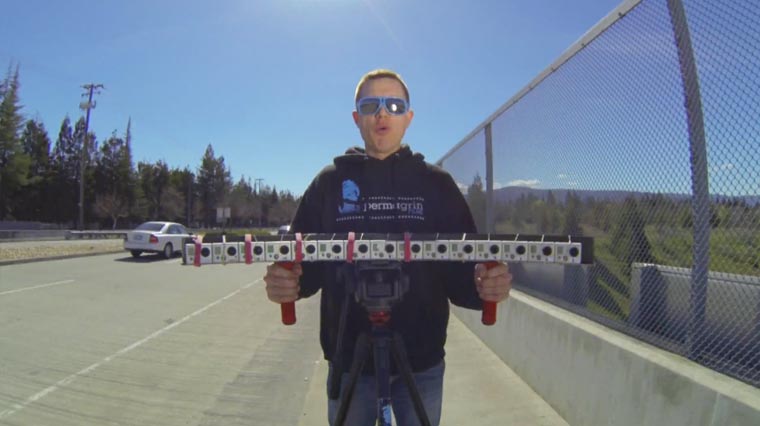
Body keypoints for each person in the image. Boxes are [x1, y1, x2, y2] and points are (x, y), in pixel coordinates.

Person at [263, 69, 511, 426]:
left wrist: (485, 286)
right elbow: (304, 267)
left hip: (422, 360)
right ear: (356, 118)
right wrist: (288, 284)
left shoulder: (437, 184)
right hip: (350, 359)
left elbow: (462, 272)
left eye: (394, 105)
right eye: (371, 105)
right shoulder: (329, 183)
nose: (382, 113)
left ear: (408, 118)